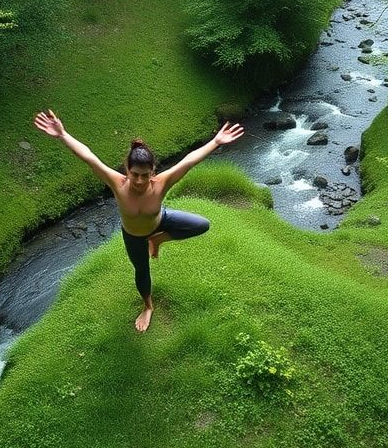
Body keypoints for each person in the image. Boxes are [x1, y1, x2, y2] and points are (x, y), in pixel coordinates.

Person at [32, 109, 245, 332]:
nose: (140, 181)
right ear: (127, 170)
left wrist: (216, 142)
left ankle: (157, 239)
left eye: (145, 175)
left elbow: (188, 161)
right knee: (142, 272)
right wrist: (63, 135)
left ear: (152, 171)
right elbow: (89, 157)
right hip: (133, 236)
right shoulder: (117, 183)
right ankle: (148, 306)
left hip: (161, 221)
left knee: (202, 224)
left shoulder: (161, 183)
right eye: (135, 174)